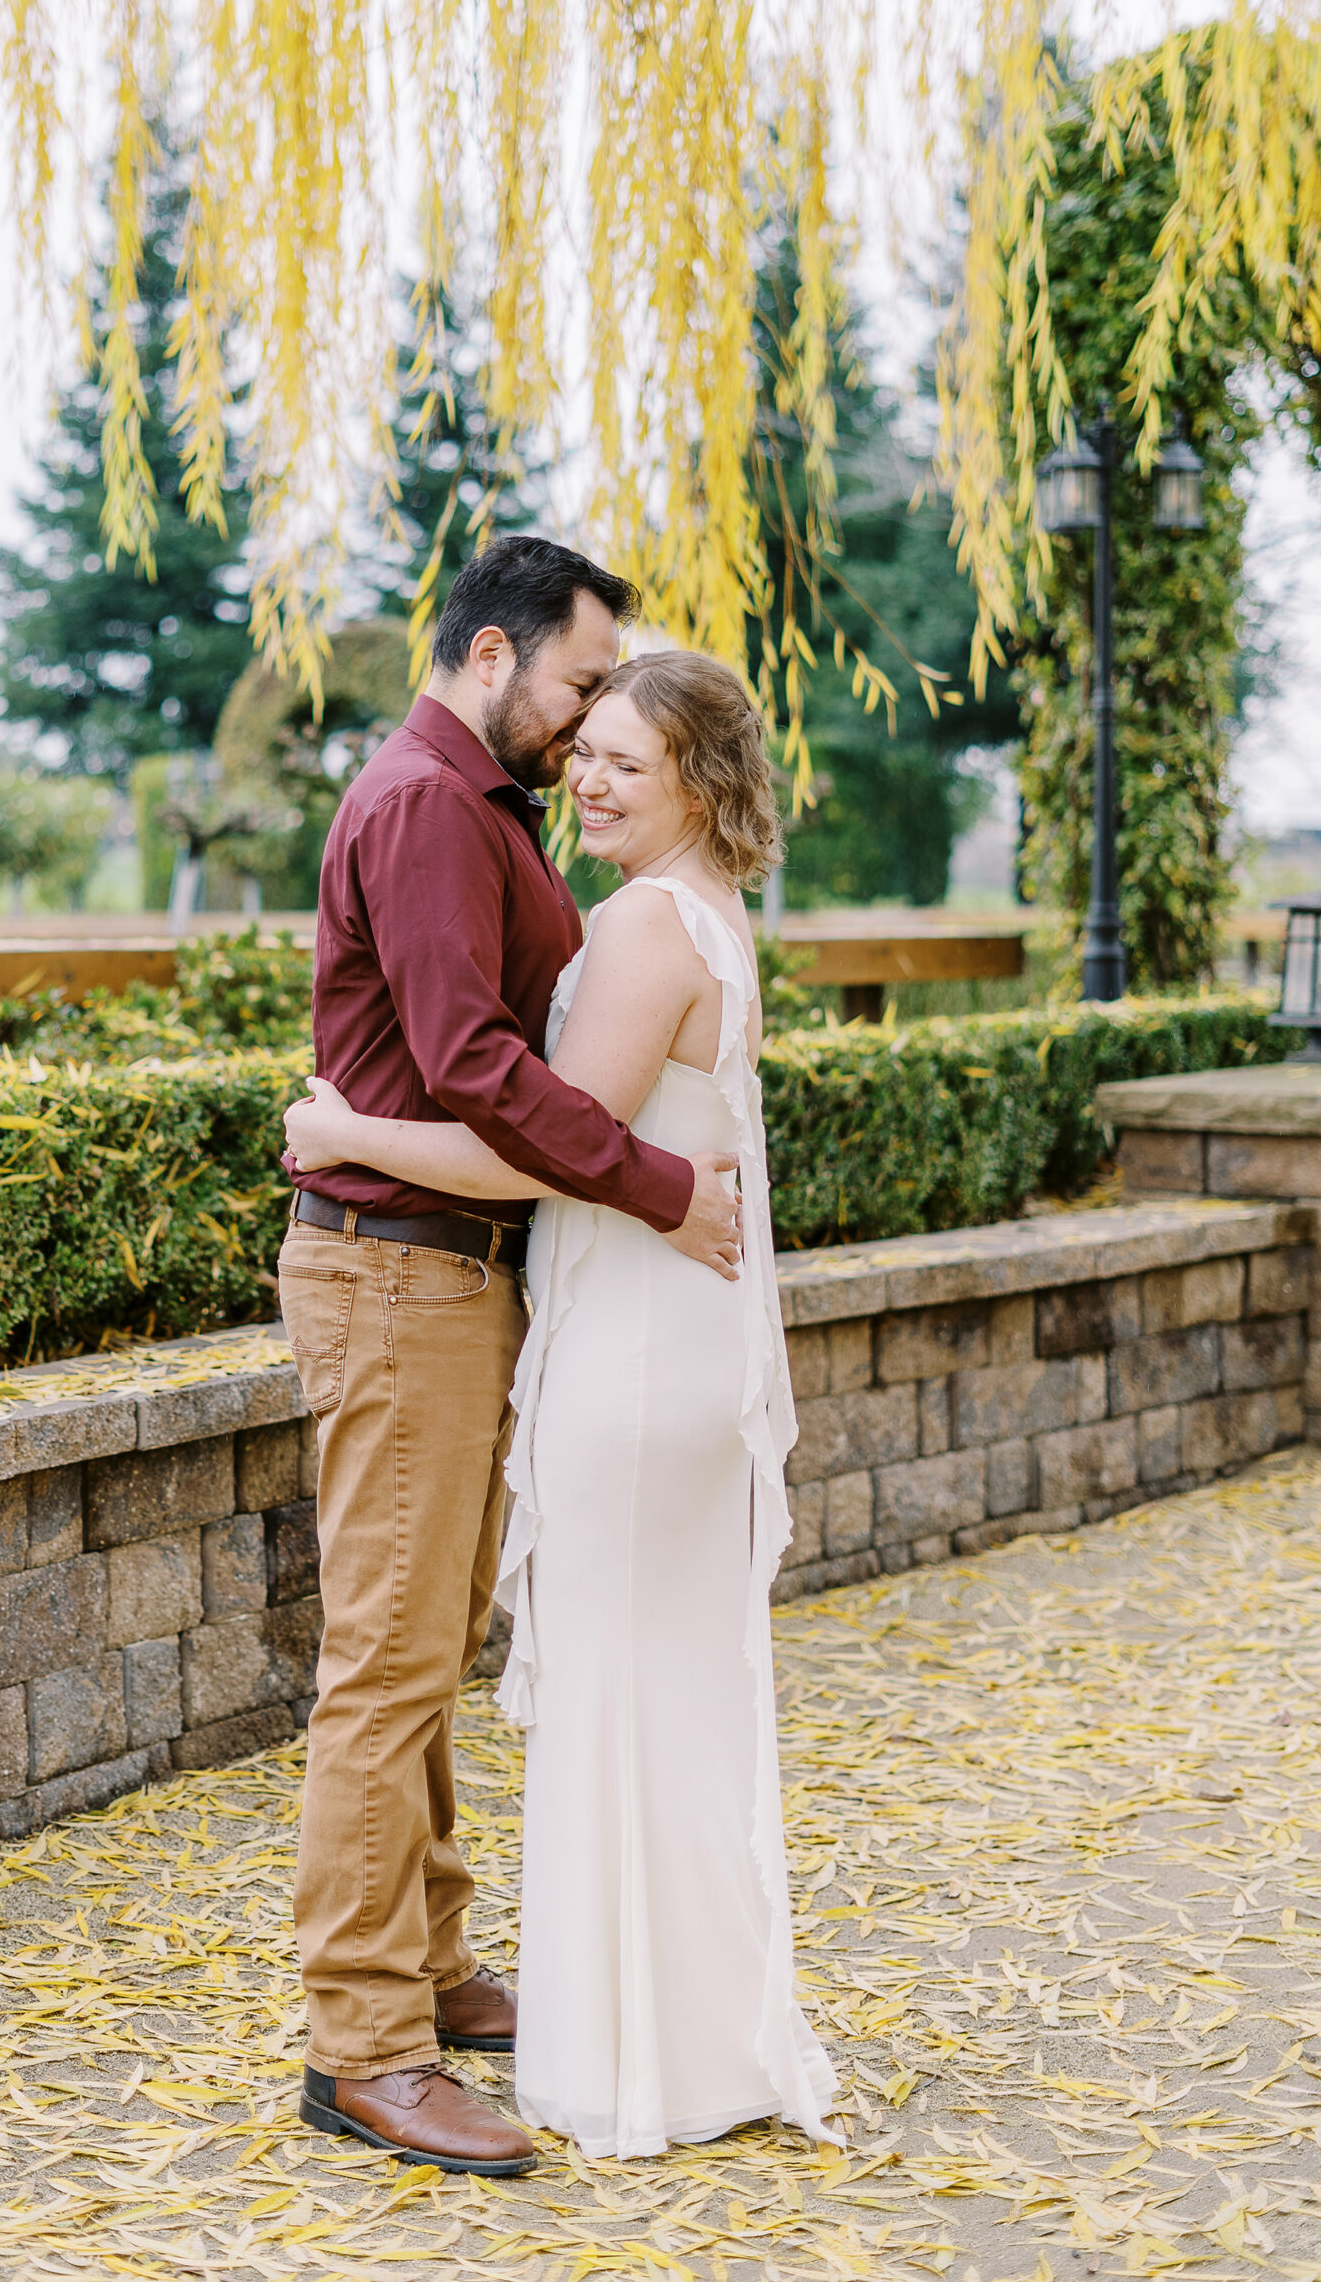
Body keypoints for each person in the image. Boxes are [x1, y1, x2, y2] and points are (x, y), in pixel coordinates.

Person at [287, 646, 841, 2163]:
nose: (586, 776)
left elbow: (538, 1146)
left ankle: (621, 2056)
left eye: (623, 759)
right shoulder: (711, 922)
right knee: (663, 1683)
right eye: (581, 747)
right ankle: (676, 2021)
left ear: (699, 783)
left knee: (611, 1689)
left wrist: (344, 1128)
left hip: (634, 1359)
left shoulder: (644, 926)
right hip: (670, 1340)